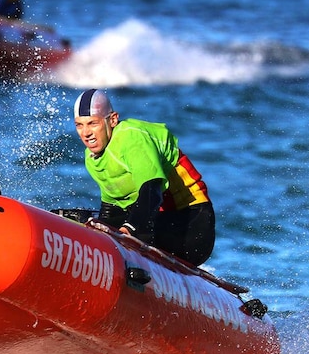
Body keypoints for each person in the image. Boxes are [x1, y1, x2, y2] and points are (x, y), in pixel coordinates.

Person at [72, 89, 215, 266]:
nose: (86, 133)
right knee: (85, 220)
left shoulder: (132, 137)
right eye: (79, 125)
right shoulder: (92, 158)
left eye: (93, 123)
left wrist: (129, 231)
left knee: (117, 226)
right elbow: (113, 207)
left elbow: (152, 192)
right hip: (154, 220)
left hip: (191, 225)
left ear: (113, 119)